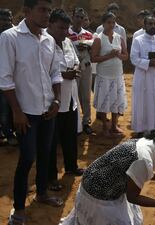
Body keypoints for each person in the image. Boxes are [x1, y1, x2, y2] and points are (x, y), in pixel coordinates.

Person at [0, 1, 65, 224]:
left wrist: (56, 99)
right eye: (42, 9)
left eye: (49, 10)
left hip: (47, 110)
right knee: (27, 158)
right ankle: (18, 208)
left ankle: (42, 193)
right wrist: (16, 112)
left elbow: (55, 72)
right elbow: (5, 79)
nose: (47, 14)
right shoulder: (10, 38)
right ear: (26, 12)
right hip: (25, 112)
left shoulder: (48, 39)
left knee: (46, 154)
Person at [60, 123, 155, 225]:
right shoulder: (144, 159)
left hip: (95, 183)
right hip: (97, 195)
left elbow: (137, 173)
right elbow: (132, 197)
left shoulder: (148, 144)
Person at [46, 9, 85, 193]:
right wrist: (65, 74)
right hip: (52, 101)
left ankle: (71, 166)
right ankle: (51, 178)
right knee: (51, 142)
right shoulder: (44, 44)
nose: (64, 32)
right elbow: (43, 72)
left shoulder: (68, 42)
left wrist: (75, 69)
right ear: (50, 24)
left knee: (70, 136)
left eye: (66, 28)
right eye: (61, 28)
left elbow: (76, 60)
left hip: (70, 97)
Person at [91, 12, 128, 137]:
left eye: (113, 22)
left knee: (116, 101)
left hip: (117, 74)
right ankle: (105, 128)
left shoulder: (119, 37)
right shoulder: (98, 39)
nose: (111, 25)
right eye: (109, 22)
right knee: (104, 102)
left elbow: (125, 55)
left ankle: (114, 125)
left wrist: (118, 55)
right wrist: (109, 56)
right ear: (103, 23)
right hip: (104, 75)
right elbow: (93, 58)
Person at [68, 8, 95, 135]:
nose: (79, 20)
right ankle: (75, 123)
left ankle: (86, 122)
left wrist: (87, 46)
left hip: (86, 67)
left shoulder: (89, 35)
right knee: (73, 96)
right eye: (77, 17)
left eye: (82, 17)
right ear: (72, 17)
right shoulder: (66, 33)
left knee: (86, 96)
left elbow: (95, 52)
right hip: (72, 68)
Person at [0, 8, 17, 146]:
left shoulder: (15, 34)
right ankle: (7, 134)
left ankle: (12, 133)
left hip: (13, 79)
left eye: (9, 19)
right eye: (3, 19)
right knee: (4, 110)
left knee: (10, 108)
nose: (6, 22)